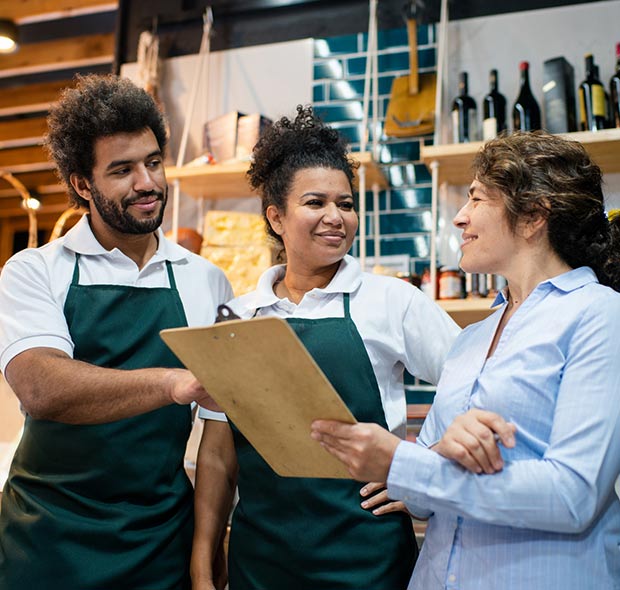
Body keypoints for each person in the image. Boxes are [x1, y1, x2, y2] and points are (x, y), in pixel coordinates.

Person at [312, 131, 620, 590]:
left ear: (534, 215)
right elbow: (423, 501)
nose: (460, 217)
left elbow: (572, 497)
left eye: (476, 198)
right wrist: (432, 456)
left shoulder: (599, 314)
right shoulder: (472, 339)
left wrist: (403, 461)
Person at [190, 105, 461, 590]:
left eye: (346, 203)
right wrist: (202, 565)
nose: (336, 218)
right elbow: (218, 454)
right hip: (262, 562)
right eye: (315, 202)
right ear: (276, 217)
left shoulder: (390, 300)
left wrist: (425, 462)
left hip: (366, 557)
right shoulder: (239, 314)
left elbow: (479, 382)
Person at [0, 74, 233, 590]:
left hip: (158, 541)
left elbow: (222, 431)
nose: (147, 183)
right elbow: (42, 387)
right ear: (82, 184)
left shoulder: (206, 281)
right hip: (47, 541)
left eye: (153, 162)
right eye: (122, 170)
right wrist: (173, 384)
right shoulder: (34, 271)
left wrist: (205, 555)